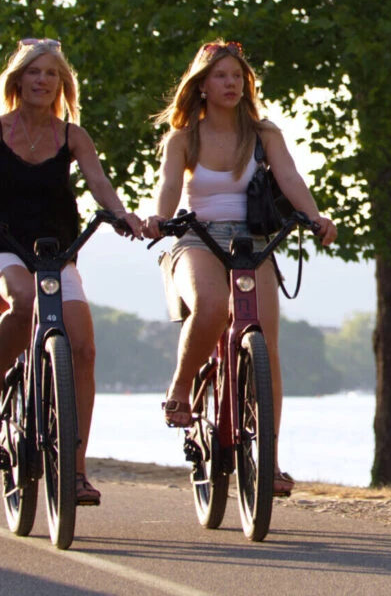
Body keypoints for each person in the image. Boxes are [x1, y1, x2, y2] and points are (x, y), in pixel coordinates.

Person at [143, 39, 337, 497]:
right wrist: (158, 220)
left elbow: (289, 177)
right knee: (210, 306)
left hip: (252, 242)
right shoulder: (183, 136)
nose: (231, 84)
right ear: (203, 85)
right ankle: (181, 385)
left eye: (237, 77)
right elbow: (170, 186)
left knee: (264, 344)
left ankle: (267, 460)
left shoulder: (263, 132)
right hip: (198, 238)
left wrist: (313, 217)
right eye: (220, 76)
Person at [0, 37, 143, 505]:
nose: (42, 80)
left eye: (51, 74)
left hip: (55, 253)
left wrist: (122, 214)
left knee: (83, 347)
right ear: (18, 79)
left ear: (61, 83)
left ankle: (76, 470)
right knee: (22, 301)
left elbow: (100, 184)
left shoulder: (73, 136)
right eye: (33, 72)